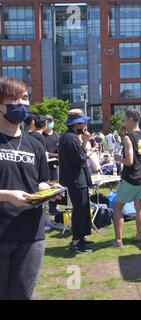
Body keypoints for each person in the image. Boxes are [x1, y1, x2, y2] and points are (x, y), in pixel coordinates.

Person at [0, 77, 63, 300]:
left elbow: (39, 181)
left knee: (24, 295)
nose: (21, 104)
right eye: (13, 99)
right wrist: (6, 195)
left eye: (25, 98)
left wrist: (50, 191)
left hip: (31, 233)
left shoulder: (35, 144)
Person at [112, 110, 141, 248]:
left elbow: (129, 161)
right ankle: (138, 237)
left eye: (124, 119)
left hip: (130, 177)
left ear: (130, 119)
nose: (123, 121)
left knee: (117, 208)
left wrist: (117, 158)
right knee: (139, 206)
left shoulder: (128, 138)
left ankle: (118, 241)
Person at [59, 109, 95, 254]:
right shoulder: (70, 138)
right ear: (76, 124)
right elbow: (79, 159)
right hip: (76, 179)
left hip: (77, 179)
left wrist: (85, 141)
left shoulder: (70, 137)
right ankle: (76, 241)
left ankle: (81, 238)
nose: (84, 126)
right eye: (83, 123)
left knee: (83, 209)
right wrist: (87, 150)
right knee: (79, 210)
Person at [44, 115, 61, 217]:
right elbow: (44, 152)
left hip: (55, 165)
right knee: (46, 185)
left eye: (51, 121)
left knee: (55, 185)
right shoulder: (42, 136)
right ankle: (47, 207)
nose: (49, 123)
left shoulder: (57, 135)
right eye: (48, 121)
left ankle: (53, 207)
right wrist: (56, 155)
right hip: (45, 164)